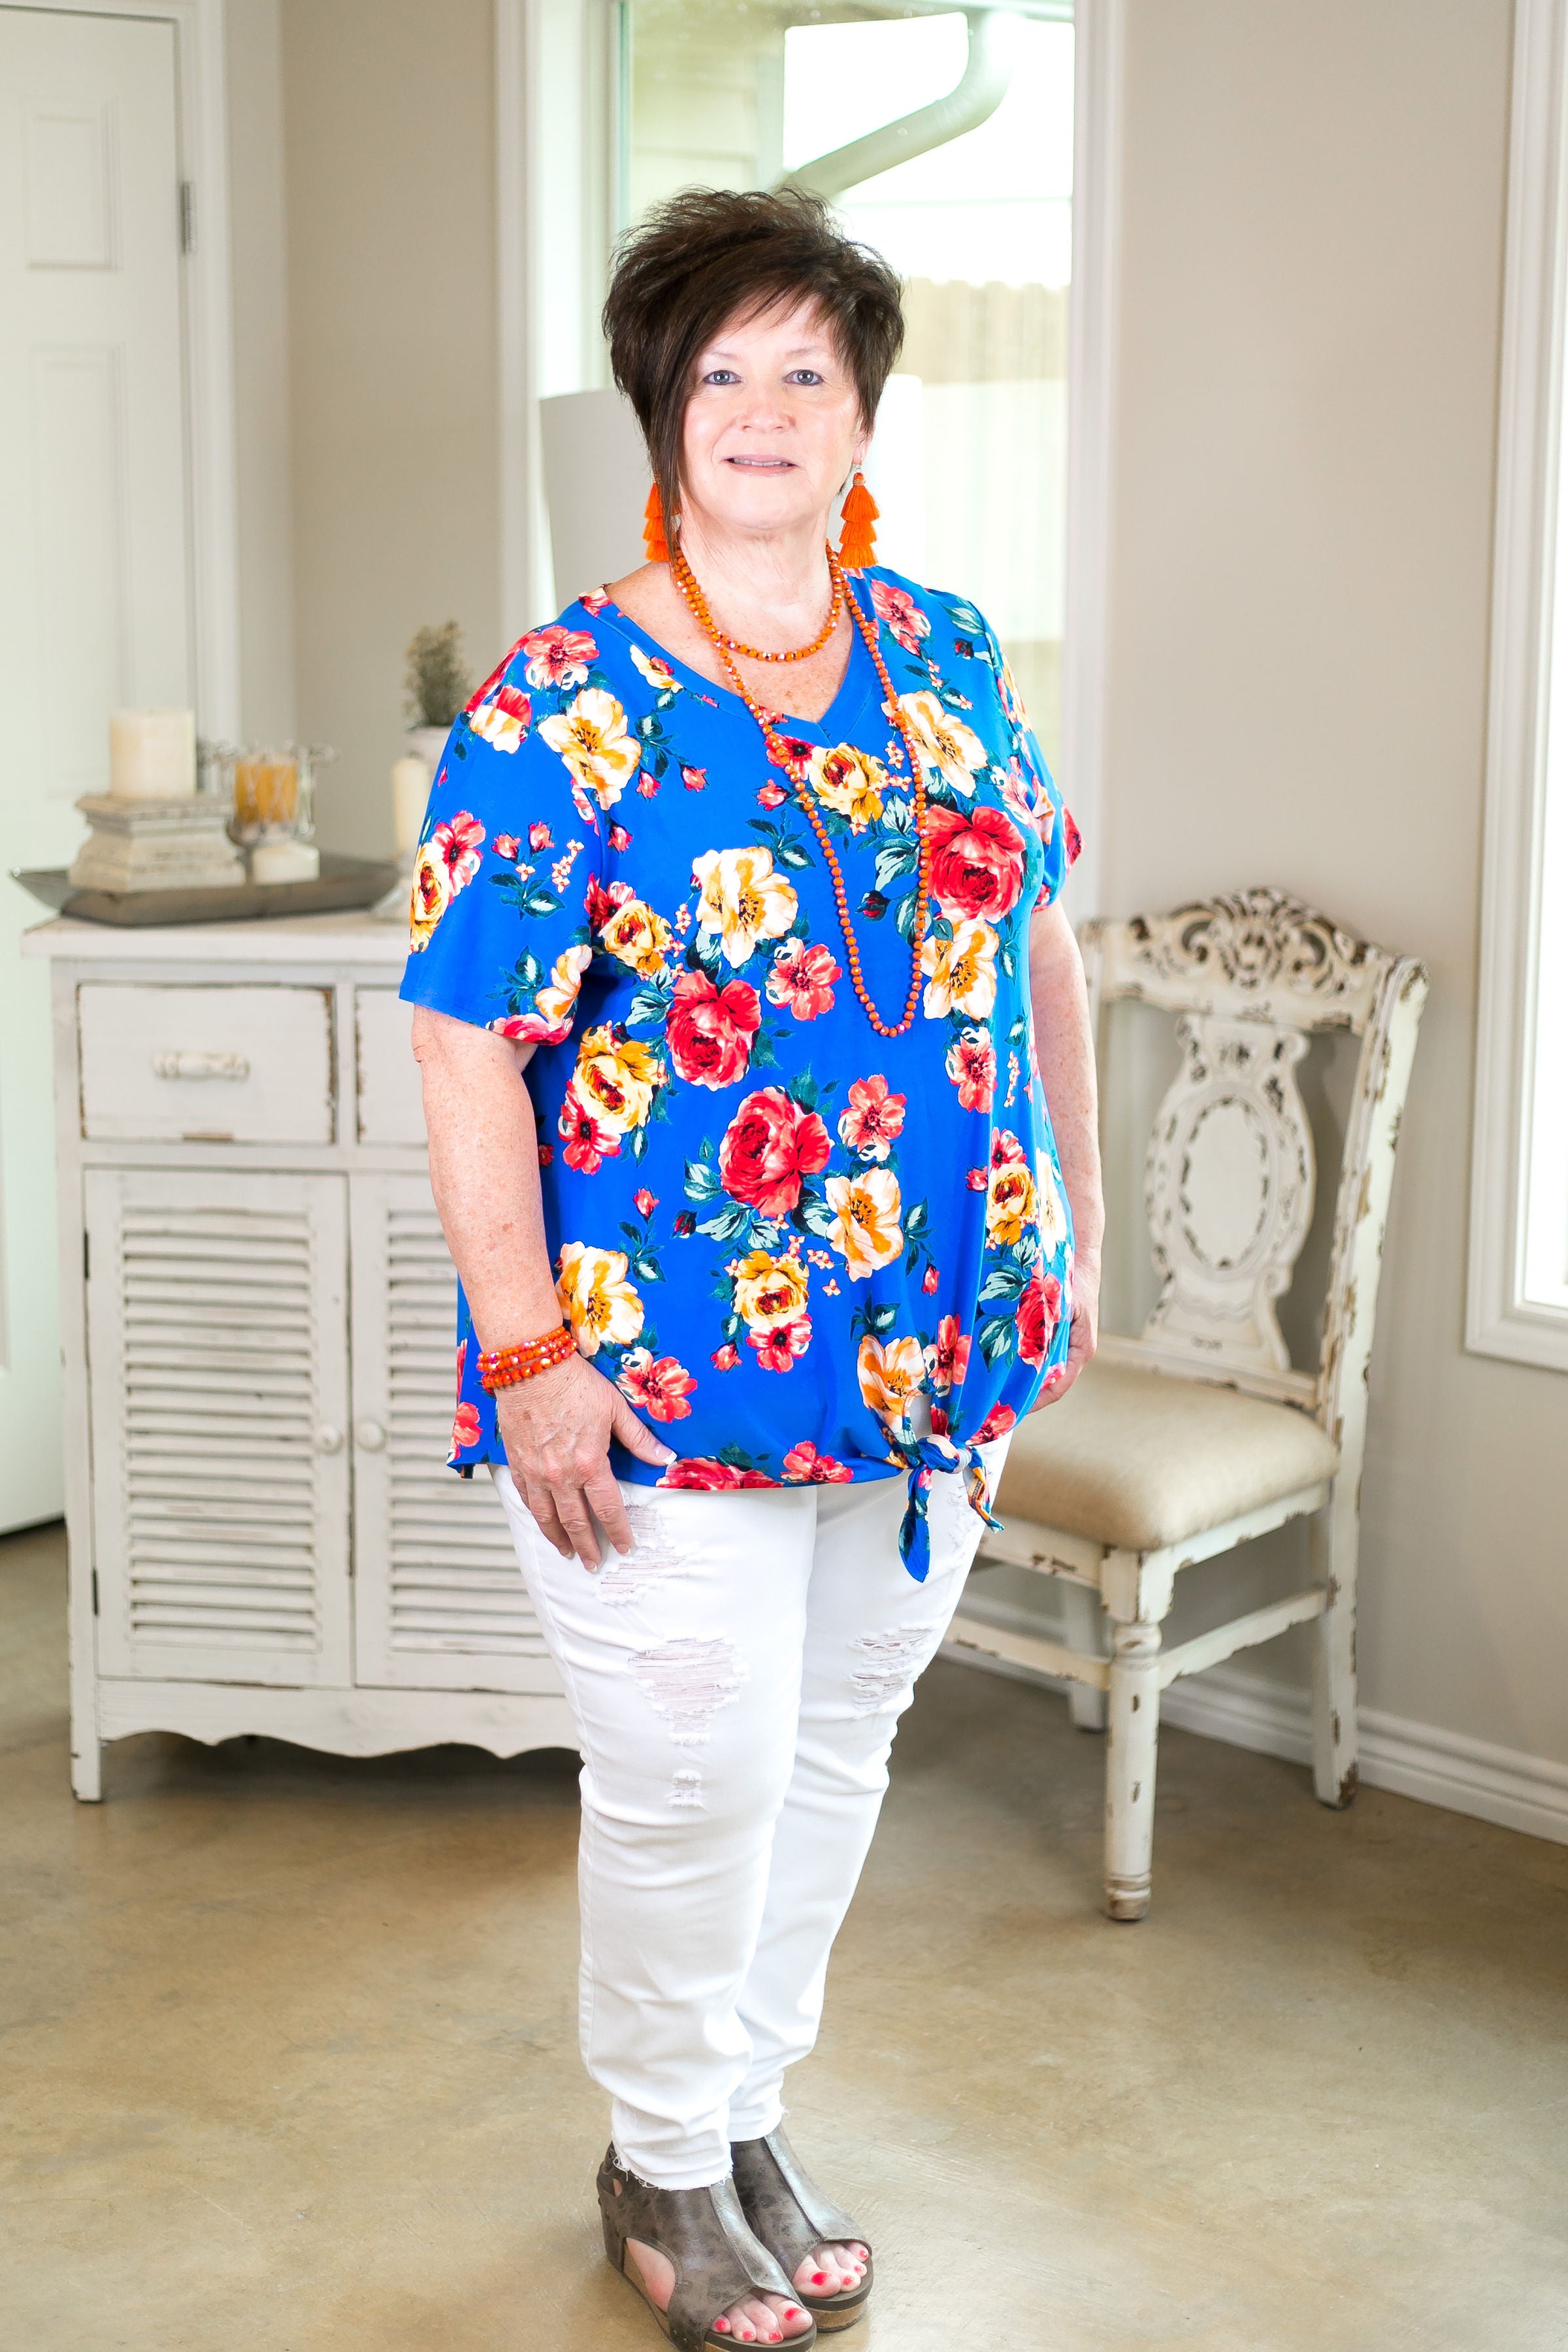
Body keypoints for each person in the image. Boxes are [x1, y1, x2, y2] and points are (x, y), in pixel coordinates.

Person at [402, 186, 1103, 2352]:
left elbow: (1043, 944)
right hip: (658, 1364)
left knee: (834, 1754)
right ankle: (659, 2153)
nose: (769, 408)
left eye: (809, 368)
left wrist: (1072, 1225)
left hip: (941, 1344)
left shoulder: (952, 655)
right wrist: (527, 1350)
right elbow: (463, 1033)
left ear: (864, 410)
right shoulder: (563, 701)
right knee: (695, 1777)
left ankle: (741, 2117)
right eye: (724, 372)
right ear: (664, 412)